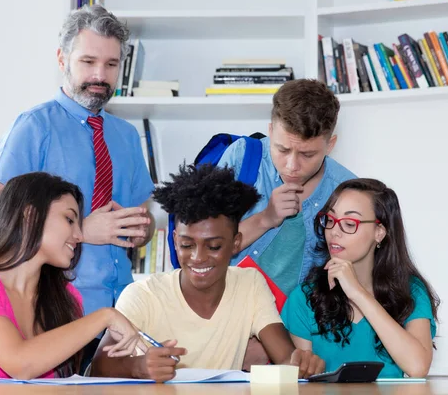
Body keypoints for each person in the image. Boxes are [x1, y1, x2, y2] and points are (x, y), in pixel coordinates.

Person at [0, 5, 155, 365]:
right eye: (88, 62)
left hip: (126, 312)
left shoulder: (127, 137)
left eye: (112, 64)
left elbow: (139, 223)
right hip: (53, 316)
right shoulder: (33, 127)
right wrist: (82, 230)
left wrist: (141, 230)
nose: (100, 75)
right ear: (62, 59)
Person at [90, 164, 325, 382]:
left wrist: (299, 363)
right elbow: (99, 367)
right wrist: (139, 367)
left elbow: (285, 356)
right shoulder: (142, 295)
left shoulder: (249, 284)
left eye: (213, 246)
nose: (198, 257)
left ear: (236, 243)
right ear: (174, 241)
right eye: (186, 245)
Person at [0, 173, 145, 383]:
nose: (80, 236)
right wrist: (105, 316)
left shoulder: (65, 298)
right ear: (30, 216)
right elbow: (21, 364)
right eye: (69, 219)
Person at [218, 78, 356, 367]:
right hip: (228, 320)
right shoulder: (242, 158)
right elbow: (207, 248)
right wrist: (266, 218)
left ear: (330, 145)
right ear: (270, 131)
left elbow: (354, 278)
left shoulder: (346, 190)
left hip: (299, 335)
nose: (292, 165)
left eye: (307, 154)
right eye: (282, 149)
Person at [281, 178, 440, 378]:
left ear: (379, 232)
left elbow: (417, 367)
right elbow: (301, 380)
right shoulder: (304, 298)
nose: (334, 232)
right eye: (330, 220)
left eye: (349, 223)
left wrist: (358, 293)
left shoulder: (410, 291)